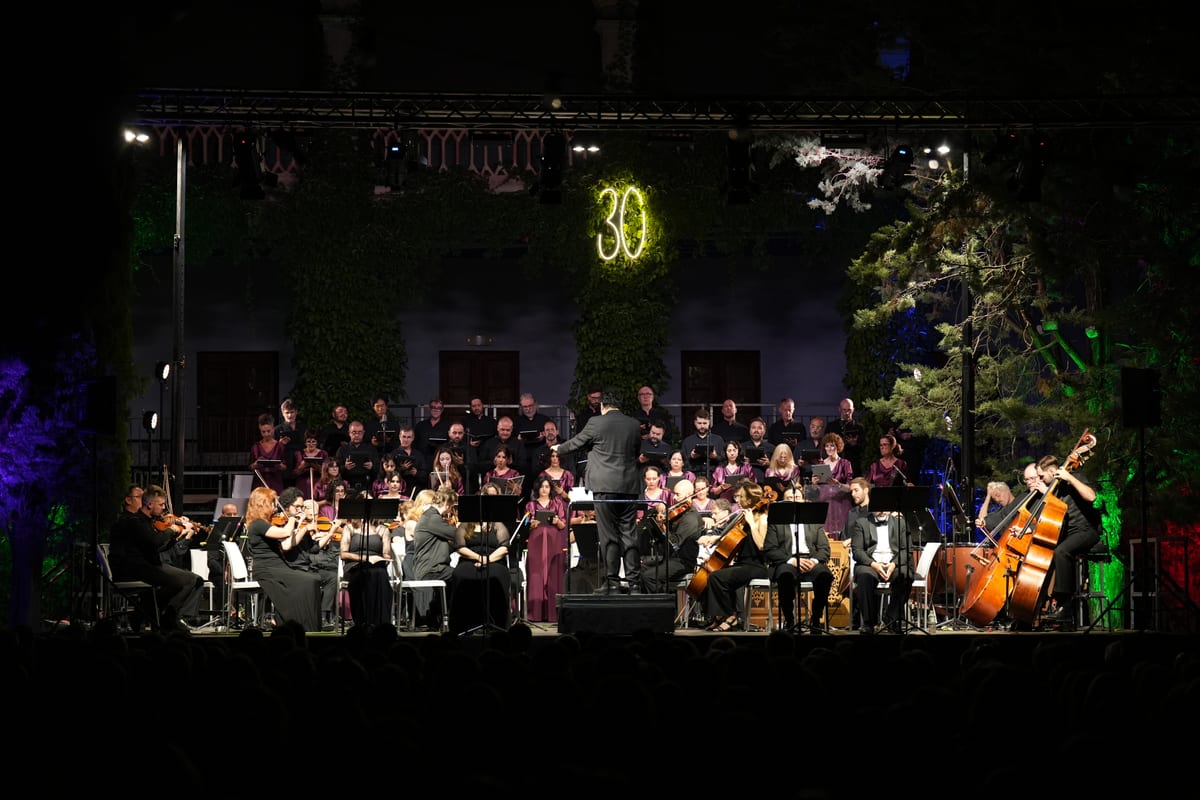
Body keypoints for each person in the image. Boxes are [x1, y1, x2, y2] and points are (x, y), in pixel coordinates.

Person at [553, 390, 643, 595]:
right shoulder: (633, 424)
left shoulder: (596, 422)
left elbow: (576, 443)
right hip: (629, 487)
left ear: (603, 406)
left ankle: (612, 583)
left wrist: (557, 449)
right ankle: (635, 584)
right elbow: (636, 452)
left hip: (604, 487)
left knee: (609, 535)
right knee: (629, 534)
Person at [107, 483, 204, 633]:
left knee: (193, 579)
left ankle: (149, 613)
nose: (164, 508)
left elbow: (156, 547)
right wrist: (172, 530)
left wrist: (180, 536)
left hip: (148, 565)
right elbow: (153, 541)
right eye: (161, 504)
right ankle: (165, 617)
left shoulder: (147, 522)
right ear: (150, 504)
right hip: (137, 567)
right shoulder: (135, 522)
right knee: (184, 581)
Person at [1031, 454, 1104, 626]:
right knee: (1044, 554)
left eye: (1042, 476)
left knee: (1061, 551)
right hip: (1067, 534)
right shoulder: (1053, 489)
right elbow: (1056, 512)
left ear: (1052, 471)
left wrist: (1069, 477)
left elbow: (1092, 496)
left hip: (1087, 531)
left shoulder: (1074, 477)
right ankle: (1037, 606)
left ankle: (1065, 605)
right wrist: (1045, 495)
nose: (1041, 479)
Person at [701, 482, 785, 632]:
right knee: (710, 574)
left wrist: (752, 525)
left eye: (741, 497)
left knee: (717, 577)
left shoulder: (762, 519)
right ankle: (720, 616)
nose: (737, 500)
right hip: (743, 563)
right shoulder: (744, 516)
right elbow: (733, 538)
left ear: (750, 499)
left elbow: (763, 547)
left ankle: (729, 615)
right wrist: (716, 538)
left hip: (757, 566)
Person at [244, 485, 323, 632]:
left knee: (312, 579)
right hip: (268, 569)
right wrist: (293, 518)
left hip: (277, 566)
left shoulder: (264, 523)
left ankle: (303, 624)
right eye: (273, 502)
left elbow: (288, 543)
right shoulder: (257, 524)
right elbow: (286, 532)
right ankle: (299, 624)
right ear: (264, 504)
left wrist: (301, 527)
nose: (275, 506)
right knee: (308, 581)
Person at [772, 486, 835, 633]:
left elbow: (825, 549)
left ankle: (816, 619)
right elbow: (770, 550)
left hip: (810, 560)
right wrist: (791, 561)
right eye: (789, 498)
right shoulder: (776, 522)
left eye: (797, 498)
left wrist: (813, 561)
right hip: (787, 561)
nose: (793, 501)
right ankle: (790, 620)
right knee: (785, 576)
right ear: (783, 502)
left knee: (825, 576)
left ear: (803, 501)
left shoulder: (814, 522)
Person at [451, 491, 513, 634]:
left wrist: (487, 559)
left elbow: (504, 547)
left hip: (494, 559)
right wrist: (479, 558)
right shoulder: (465, 525)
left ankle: (498, 621)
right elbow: (460, 547)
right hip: (470, 559)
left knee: (497, 575)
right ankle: (465, 623)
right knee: (460, 574)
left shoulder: (497, 524)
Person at [850, 505, 913, 634]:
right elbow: (857, 551)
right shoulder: (861, 523)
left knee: (905, 576)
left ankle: (891, 618)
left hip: (893, 563)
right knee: (864, 577)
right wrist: (874, 564)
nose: (883, 510)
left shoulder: (900, 523)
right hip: (870, 563)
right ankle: (869, 623)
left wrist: (893, 564)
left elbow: (906, 550)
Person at [640, 478, 704, 594]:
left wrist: (664, 527)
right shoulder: (678, 514)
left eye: (677, 494)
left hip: (682, 562)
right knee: (641, 568)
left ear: (689, 494)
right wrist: (658, 524)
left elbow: (675, 543)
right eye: (674, 493)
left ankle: (662, 606)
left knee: (649, 576)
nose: (674, 497)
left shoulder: (691, 519)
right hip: (669, 558)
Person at [339, 498, 395, 629]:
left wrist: (381, 559)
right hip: (355, 565)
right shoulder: (349, 528)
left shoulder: (382, 530)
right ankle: (363, 621)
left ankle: (380, 623)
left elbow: (386, 554)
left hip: (377, 565)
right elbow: (343, 553)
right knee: (364, 574)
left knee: (380, 574)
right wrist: (364, 558)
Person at [411, 484, 460, 629]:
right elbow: (456, 535)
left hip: (435, 567)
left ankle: (436, 616)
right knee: (461, 575)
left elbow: (444, 546)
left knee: (457, 575)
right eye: (451, 507)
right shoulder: (433, 519)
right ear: (446, 504)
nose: (451, 511)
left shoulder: (431, 518)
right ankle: (454, 619)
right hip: (431, 569)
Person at [524, 476, 569, 622]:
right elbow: (525, 525)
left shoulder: (557, 503)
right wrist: (531, 524)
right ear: (538, 489)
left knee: (553, 574)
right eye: (542, 487)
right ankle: (536, 613)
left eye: (547, 487)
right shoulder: (531, 504)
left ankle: (552, 613)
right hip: (536, 541)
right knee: (536, 574)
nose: (544, 489)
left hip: (553, 540)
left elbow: (563, 525)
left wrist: (556, 521)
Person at [813, 432, 854, 537]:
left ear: (837, 446)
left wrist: (838, 484)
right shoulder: (820, 464)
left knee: (842, 534)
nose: (829, 448)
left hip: (841, 503)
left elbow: (850, 487)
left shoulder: (845, 463)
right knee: (825, 535)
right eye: (827, 446)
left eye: (832, 445)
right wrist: (814, 483)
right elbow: (815, 490)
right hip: (824, 503)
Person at [335, 420, 377, 496]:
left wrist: (372, 467)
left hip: (367, 486)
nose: (357, 435)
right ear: (349, 433)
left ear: (363, 433)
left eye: (359, 432)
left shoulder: (371, 449)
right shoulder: (342, 449)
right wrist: (345, 467)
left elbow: (379, 469)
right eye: (354, 432)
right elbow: (335, 470)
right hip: (347, 486)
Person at [826, 398, 866, 477]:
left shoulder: (859, 427)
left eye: (849, 410)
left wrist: (854, 444)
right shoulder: (831, 426)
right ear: (839, 409)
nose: (847, 413)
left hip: (853, 465)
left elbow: (863, 448)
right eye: (844, 410)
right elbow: (825, 445)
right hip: (835, 465)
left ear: (853, 410)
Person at [681, 407, 724, 480]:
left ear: (709, 422)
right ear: (695, 423)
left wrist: (715, 457)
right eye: (699, 423)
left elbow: (724, 461)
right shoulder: (687, 441)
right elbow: (682, 463)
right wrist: (691, 457)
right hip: (693, 476)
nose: (702, 426)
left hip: (714, 476)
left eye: (704, 423)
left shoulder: (718, 440)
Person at [249, 413, 287, 493]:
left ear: (273, 429)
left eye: (269, 431)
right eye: (263, 432)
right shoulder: (256, 447)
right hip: (259, 483)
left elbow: (285, 467)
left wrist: (279, 466)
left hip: (275, 483)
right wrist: (255, 465)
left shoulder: (280, 446)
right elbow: (250, 467)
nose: (266, 434)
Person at [275, 398, 305, 488]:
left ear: (296, 412)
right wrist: (280, 444)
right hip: (285, 465)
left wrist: (302, 465)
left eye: (292, 412)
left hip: (300, 464)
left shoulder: (303, 428)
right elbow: (273, 450)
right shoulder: (277, 429)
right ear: (282, 413)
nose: (289, 415)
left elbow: (307, 446)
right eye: (287, 412)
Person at [513, 392, 554, 457]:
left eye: (530, 406)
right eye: (525, 407)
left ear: (535, 405)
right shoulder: (516, 421)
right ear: (521, 408)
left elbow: (553, 436)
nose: (528, 409)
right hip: (523, 454)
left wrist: (545, 437)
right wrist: (518, 440)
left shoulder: (545, 419)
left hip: (542, 454)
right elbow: (512, 440)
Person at [392, 425, 429, 495]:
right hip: (399, 491)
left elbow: (425, 475)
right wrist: (401, 469)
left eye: (409, 437)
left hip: (416, 491)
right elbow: (389, 474)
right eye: (404, 437)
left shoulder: (419, 455)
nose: (406, 440)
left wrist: (416, 473)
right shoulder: (393, 454)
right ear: (399, 437)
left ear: (413, 438)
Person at [291, 430, 328, 499]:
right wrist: (302, 466)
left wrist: (316, 466)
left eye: (313, 441)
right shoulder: (299, 453)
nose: (311, 444)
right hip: (302, 484)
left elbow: (326, 472)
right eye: (308, 441)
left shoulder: (323, 454)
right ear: (305, 442)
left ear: (317, 442)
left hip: (318, 483)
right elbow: (294, 473)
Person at [744, 417, 774, 484]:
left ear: (764, 431)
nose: (756, 430)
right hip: (745, 483)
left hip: (765, 483)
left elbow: (778, 467)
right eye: (753, 428)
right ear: (749, 430)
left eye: (760, 428)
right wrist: (742, 463)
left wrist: (769, 464)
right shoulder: (742, 447)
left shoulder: (772, 448)